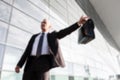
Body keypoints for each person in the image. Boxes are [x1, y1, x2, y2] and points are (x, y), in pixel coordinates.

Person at [15, 16, 89, 80]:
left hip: (43, 63)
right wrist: (19, 65)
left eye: (45, 22)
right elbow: (27, 51)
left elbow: (66, 31)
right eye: (42, 22)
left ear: (49, 26)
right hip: (30, 64)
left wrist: (78, 23)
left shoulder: (52, 36)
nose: (43, 23)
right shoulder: (34, 37)